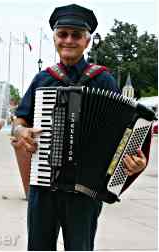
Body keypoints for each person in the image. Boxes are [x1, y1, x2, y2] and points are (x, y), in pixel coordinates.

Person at [12, 4, 149, 250]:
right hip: (44, 186)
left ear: (87, 42)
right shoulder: (43, 79)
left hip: (85, 191)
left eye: (76, 35)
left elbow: (125, 132)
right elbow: (19, 121)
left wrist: (136, 163)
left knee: (80, 247)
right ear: (54, 38)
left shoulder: (103, 80)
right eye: (62, 34)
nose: (68, 40)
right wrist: (22, 132)